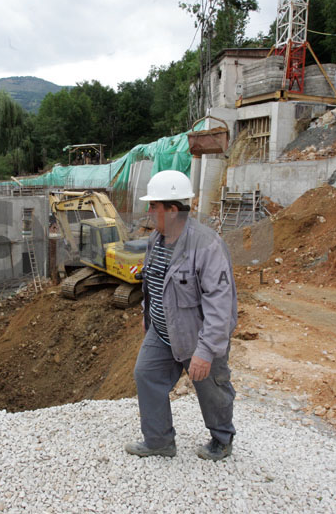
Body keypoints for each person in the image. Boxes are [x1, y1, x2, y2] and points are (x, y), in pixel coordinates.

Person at [125, 170, 238, 461]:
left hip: (196, 336)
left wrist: (207, 350)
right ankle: (159, 441)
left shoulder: (207, 245)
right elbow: (153, 282)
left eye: (154, 206)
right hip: (162, 333)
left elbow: (221, 304)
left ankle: (222, 439)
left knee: (212, 390)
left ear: (173, 210)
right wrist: (147, 315)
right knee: (146, 375)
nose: (149, 212)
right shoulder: (155, 240)